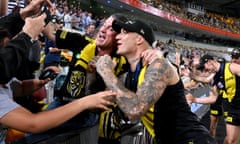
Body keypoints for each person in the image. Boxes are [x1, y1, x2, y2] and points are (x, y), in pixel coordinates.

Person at [95, 19, 217, 144]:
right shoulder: (130, 75)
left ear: (139, 39)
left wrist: (106, 72)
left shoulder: (157, 65)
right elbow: (101, 103)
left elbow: (135, 110)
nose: (118, 36)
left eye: (124, 32)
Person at [187, 54, 240, 144]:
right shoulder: (216, 78)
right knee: (231, 140)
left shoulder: (231, 67)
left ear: (210, 62)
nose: (205, 70)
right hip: (231, 108)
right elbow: (213, 98)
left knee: (230, 139)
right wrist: (195, 100)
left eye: (204, 67)